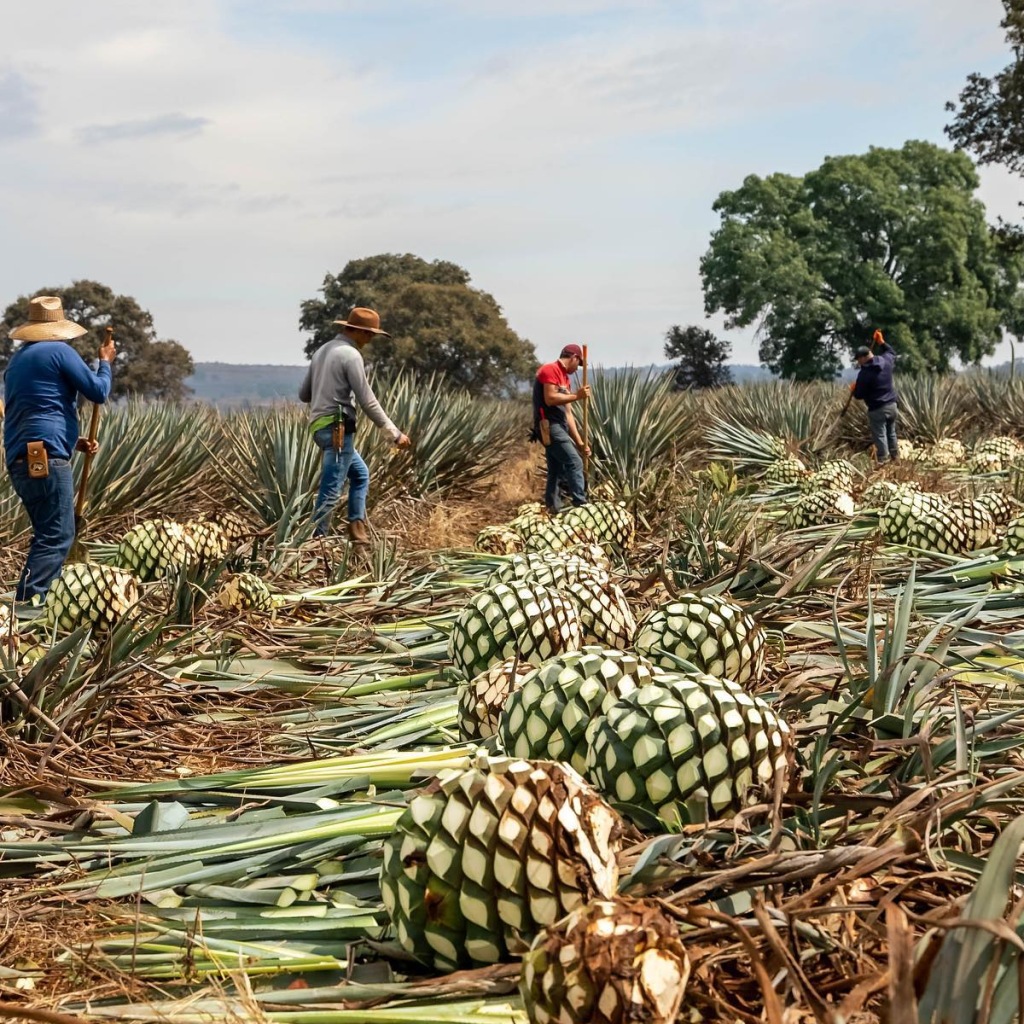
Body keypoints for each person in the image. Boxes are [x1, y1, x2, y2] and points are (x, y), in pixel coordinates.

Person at [4, 296, 115, 602]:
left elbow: (34, 411)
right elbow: (98, 391)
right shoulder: (59, 351)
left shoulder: (17, 362)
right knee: (57, 536)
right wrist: (105, 363)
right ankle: (27, 608)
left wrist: (71, 441)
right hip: (45, 456)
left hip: (21, 457)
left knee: (46, 534)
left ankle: (35, 603)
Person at [299, 306, 411, 542]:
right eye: (369, 334)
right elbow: (367, 400)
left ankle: (356, 528)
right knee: (332, 486)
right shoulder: (351, 355)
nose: (370, 340)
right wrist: (394, 434)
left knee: (360, 475)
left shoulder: (321, 351)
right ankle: (316, 542)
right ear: (358, 331)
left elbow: (304, 394)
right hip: (338, 429)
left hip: (318, 428)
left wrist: (326, 387)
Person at [533, 344, 591, 513]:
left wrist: (580, 442)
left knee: (556, 470)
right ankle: (581, 505)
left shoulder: (565, 379)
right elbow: (550, 398)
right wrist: (576, 396)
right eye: (578, 364)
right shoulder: (549, 370)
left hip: (561, 426)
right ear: (573, 357)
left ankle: (553, 509)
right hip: (549, 426)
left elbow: (568, 415)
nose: (577, 369)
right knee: (574, 461)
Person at [851, 329, 899, 464]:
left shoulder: (865, 374)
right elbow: (891, 352)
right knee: (892, 433)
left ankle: (883, 462)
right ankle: (896, 459)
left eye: (858, 360)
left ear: (863, 358)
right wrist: (882, 342)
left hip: (877, 409)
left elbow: (859, 395)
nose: (858, 363)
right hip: (892, 405)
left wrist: (854, 389)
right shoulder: (886, 361)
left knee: (880, 436)